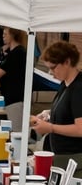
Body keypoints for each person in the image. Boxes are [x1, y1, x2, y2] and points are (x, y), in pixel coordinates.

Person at [31, 41, 82, 173]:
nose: (51, 72)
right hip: (61, 155)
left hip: (74, 160)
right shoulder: (65, 84)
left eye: (53, 67)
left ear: (67, 62)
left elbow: (80, 129)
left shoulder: (78, 88)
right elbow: (69, 110)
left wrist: (51, 128)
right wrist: (49, 113)